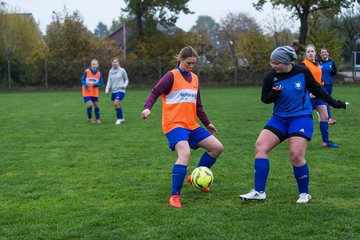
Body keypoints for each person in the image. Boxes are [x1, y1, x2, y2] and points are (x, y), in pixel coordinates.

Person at [239, 46, 347, 204]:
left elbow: (318, 90)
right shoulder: (270, 76)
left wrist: (336, 104)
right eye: (272, 62)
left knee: (296, 155)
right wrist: (274, 93)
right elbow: (265, 98)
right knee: (260, 147)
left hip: (301, 118)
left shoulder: (301, 72)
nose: (273, 65)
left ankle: (304, 194)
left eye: (277, 62)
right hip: (279, 118)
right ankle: (258, 191)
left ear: (286, 61)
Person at [141, 46, 224, 208]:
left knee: (217, 147)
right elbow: (154, 92)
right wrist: (147, 107)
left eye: (193, 63)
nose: (191, 66)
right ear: (180, 59)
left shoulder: (194, 78)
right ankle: (175, 196)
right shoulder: (171, 76)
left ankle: (196, 176)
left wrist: (207, 123)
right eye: (188, 63)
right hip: (173, 124)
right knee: (184, 153)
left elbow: (198, 104)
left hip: (191, 125)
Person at [302, 44, 338, 148]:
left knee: (325, 116)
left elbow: (318, 77)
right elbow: (302, 81)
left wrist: (321, 82)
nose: (310, 53)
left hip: (319, 95)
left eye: (312, 51)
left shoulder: (317, 64)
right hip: (309, 96)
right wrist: (308, 93)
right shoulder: (303, 65)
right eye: (308, 51)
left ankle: (325, 142)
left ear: (315, 53)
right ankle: (299, 141)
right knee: (305, 119)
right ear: (306, 54)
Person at [105, 57, 129, 125]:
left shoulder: (122, 70)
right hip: (114, 91)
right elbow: (109, 81)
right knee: (117, 105)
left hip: (121, 90)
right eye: (113, 62)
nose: (115, 63)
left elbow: (127, 80)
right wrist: (107, 89)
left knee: (116, 103)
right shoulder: (110, 71)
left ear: (118, 63)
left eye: (116, 62)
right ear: (112, 63)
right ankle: (122, 117)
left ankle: (119, 118)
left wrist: (124, 86)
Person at [81, 59, 104, 123]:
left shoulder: (99, 73)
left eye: (95, 64)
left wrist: (95, 84)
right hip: (87, 91)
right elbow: (82, 80)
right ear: (91, 65)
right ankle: (90, 118)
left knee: (96, 105)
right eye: (93, 64)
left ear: (97, 65)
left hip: (94, 92)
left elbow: (101, 82)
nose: (94, 65)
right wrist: (86, 86)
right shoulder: (87, 71)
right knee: (90, 105)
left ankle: (98, 119)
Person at [320, 48, 338, 125]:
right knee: (325, 101)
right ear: (320, 54)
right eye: (322, 52)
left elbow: (335, 72)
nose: (324, 53)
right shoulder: (318, 62)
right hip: (321, 85)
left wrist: (332, 71)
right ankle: (328, 118)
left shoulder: (331, 62)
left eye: (325, 52)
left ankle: (324, 116)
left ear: (328, 53)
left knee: (327, 101)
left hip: (329, 85)